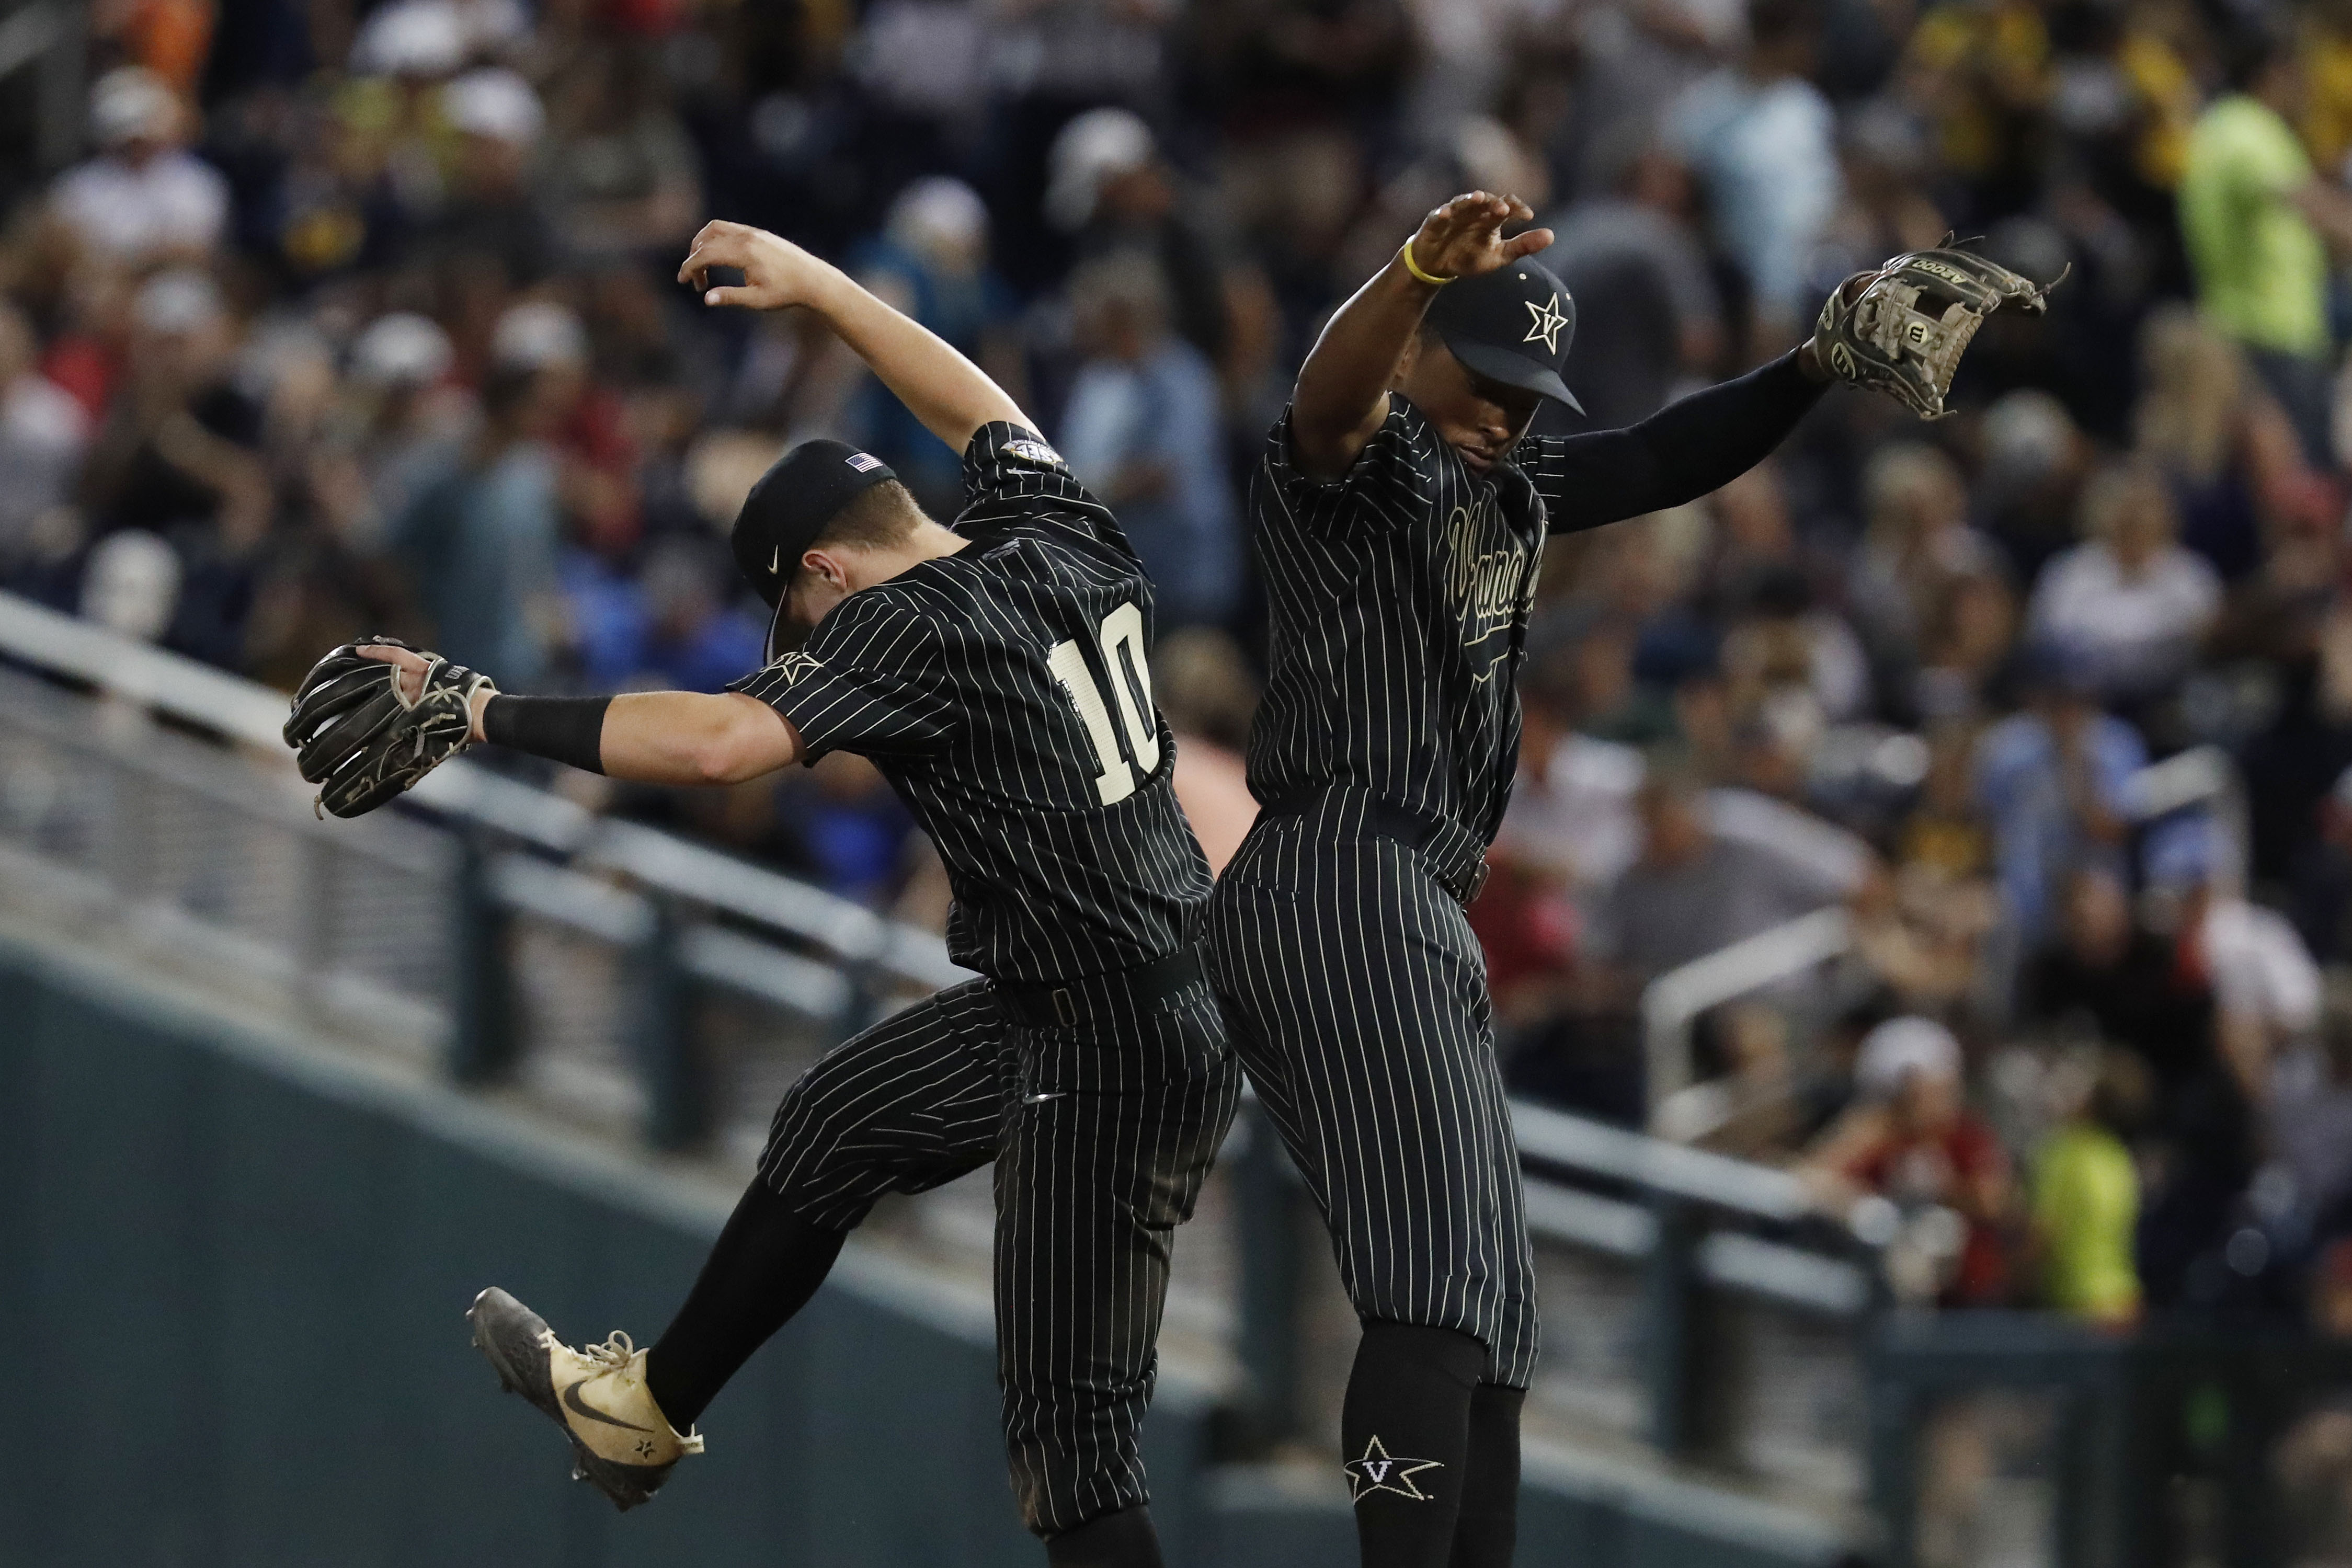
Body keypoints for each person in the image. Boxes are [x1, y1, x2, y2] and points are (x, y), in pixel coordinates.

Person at [366, 222, 1240, 1565]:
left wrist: (482, 709)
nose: (805, 642)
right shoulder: (1066, 532)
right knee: (836, 1121)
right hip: (1100, 994)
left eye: (797, 613)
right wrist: (830, 292)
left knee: (1071, 1447)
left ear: (823, 569)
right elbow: (982, 408)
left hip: (1109, 1032)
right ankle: (640, 1413)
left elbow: (718, 744)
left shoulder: (901, 623)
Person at [1201, 189, 1845, 1568]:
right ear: (1426, 351)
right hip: (1337, 866)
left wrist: (1812, 368)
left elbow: (1669, 454)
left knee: (1491, 1314)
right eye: (1483, 379)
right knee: (1433, 1290)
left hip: (1409, 894)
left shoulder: (1514, 487)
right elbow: (1324, 396)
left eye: (1526, 393)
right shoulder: (1357, 466)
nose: (1504, 411)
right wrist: (1416, 270)